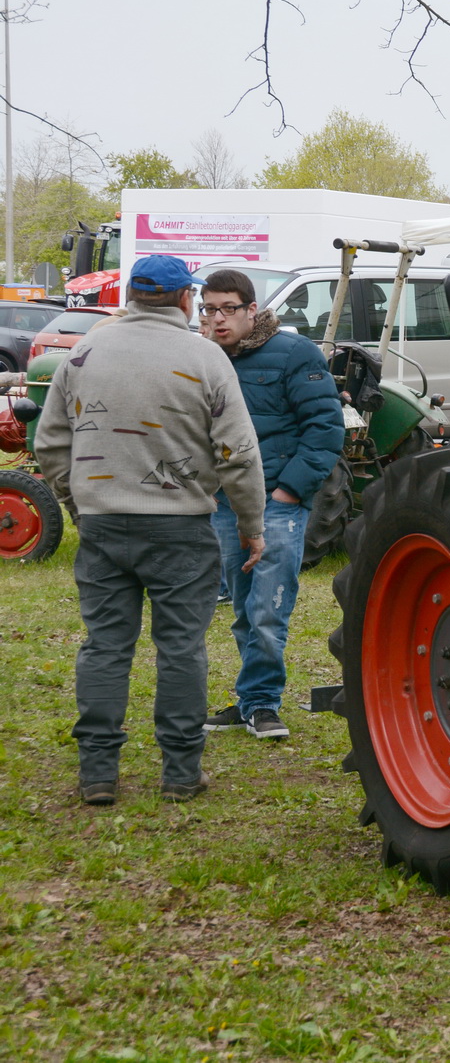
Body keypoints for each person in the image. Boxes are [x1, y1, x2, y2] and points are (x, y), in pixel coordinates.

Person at [36, 256, 266, 806]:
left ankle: (97, 774)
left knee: (105, 648)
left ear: (133, 296)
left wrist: (78, 503)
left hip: (103, 525)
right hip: (181, 529)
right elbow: (238, 452)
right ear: (186, 299)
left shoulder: (83, 354)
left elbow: (48, 444)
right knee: (181, 649)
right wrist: (251, 526)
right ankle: (181, 773)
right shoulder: (206, 357)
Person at [199, 268, 345, 742]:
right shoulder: (204, 357)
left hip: (277, 503)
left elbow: (324, 427)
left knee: (267, 608)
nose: (217, 319)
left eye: (228, 309)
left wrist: (288, 492)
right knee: (243, 606)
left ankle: (263, 704)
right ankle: (250, 700)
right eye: (208, 309)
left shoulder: (294, 353)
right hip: (225, 502)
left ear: (251, 310)